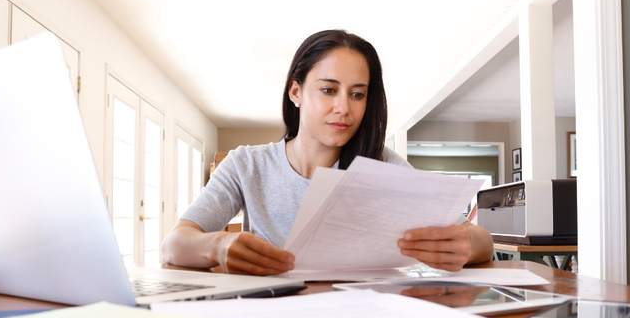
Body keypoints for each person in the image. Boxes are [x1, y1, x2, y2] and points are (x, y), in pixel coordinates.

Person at [161, 30, 493, 275]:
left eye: (358, 94)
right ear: (296, 91)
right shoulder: (247, 165)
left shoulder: (384, 166)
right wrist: (217, 246)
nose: (343, 108)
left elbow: (479, 240)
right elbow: (174, 245)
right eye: (328, 90)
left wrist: (466, 245)